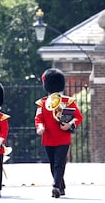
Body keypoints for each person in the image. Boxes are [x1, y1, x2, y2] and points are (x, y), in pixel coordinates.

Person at [34, 68, 83, 198]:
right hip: (48, 138)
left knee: (59, 163)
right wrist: (40, 127)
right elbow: (39, 118)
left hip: (63, 138)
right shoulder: (43, 103)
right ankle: (61, 186)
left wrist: (70, 125)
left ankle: (55, 186)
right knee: (52, 164)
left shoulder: (67, 101)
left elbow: (78, 117)